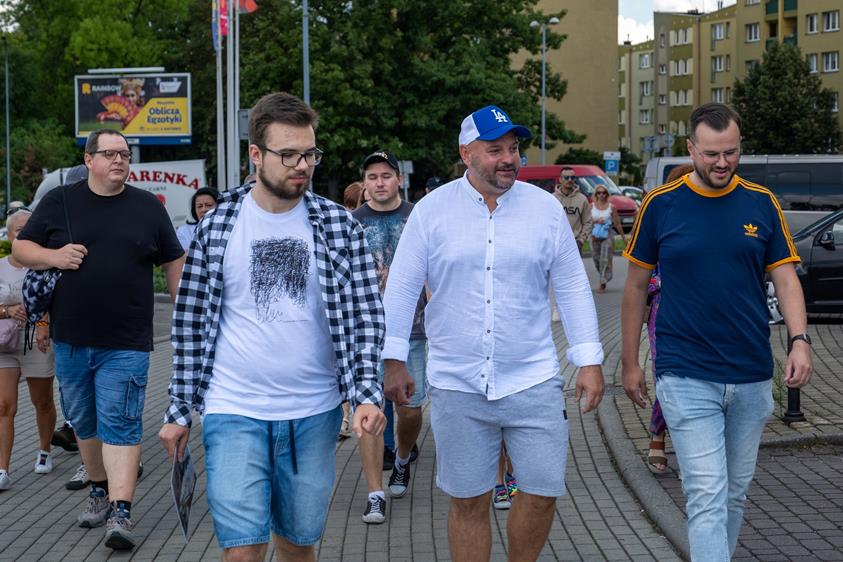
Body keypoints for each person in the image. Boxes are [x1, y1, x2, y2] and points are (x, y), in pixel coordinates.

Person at [158, 92, 386, 562]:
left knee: (298, 547)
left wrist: (366, 393)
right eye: (289, 155)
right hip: (233, 409)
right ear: (256, 155)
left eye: (310, 153)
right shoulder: (218, 226)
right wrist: (179, 409)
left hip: (314, 412)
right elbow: (190, 324)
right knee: (243, 552)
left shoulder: (340, 227)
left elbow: (366, 316)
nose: (302, 165)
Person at [381, 105, 605, 561]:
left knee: (542, 491)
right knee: (468, 500)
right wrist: (393, 360)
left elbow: (574, 288)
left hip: (533, 379)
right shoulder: (431, 211)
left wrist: (590, 360)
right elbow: (401, 289)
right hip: (457, 382)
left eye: (514, 148)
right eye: (495, 149)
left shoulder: (544, 210)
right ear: (466, 153)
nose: (509, 158)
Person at [621, 103, 812, 561]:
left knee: (733, 494)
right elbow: (632, 289)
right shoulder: (661, 204)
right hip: (685, 372)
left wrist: (800, 340)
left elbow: (786, 279)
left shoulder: (760, 203)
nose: (721, 163)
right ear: (691, 148)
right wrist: (629, 363)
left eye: (730, 153)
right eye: (710, 154)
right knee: (706, 493)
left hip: (750, 372)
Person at [12, 128, 185, 550]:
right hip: (70, 339)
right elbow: (20, 249)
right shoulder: (60, 201)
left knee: (121, 423)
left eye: (124, 154)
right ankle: (97, 489)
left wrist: (184, 314)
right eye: (109, 153)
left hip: (127, 340)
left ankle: (121, 512)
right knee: (85, 423)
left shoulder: (147, 207)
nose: (119, 161)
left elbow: (174, 258)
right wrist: (55, 256)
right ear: (89, 160)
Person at [352, 150, 428, 524]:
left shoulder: (418, 217)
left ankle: (401, 459)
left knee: (410, 410)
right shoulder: (352, 223)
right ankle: (375, 491)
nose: (379, 182)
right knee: (368, 412)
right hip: (365, 332)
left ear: (399, 179)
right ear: (364, 183)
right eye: (372, 176)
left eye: (386, 175)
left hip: (413, 331)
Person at [0, 208, 56, 490]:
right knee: (3, 406)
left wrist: (44, 321)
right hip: (4, 343)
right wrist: (6, 310)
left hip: (37, 341)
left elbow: (55, 301)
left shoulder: (45, 265)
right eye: (18, 229)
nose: (23, 232)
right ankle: (2, 469)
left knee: (42, 401)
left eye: (28, 228)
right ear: (9, 236)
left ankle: (45, 450)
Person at [644, 163, 693, 474]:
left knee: (694, 379)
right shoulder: (658, 222)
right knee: (668, 377)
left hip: (701, 314)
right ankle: (657, 436)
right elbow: (640, 276)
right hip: (662, 312)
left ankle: (689, 443)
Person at [590, 185, 627, 293]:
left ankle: (602, 282)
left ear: (607, 194)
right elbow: (586, 221)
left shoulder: (611, 207)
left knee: (605, 259)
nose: (601, 194)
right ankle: (605, 275)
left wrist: (624, 238)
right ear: (596, 194)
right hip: (594, 236)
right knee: (596, 259)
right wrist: (596, 221)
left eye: (604, 192)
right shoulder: (591, 206)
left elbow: (617, 224)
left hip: (607, 235)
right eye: (599, 193)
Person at [553, 167, 591, 256]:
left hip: (575, 244)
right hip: (555, 244)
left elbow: (588, 222)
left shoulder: (582, 199)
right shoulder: (552, 198)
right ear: (560, 179)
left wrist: (581, 240)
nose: (569, 180)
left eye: (572, 178)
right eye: (566, 177)